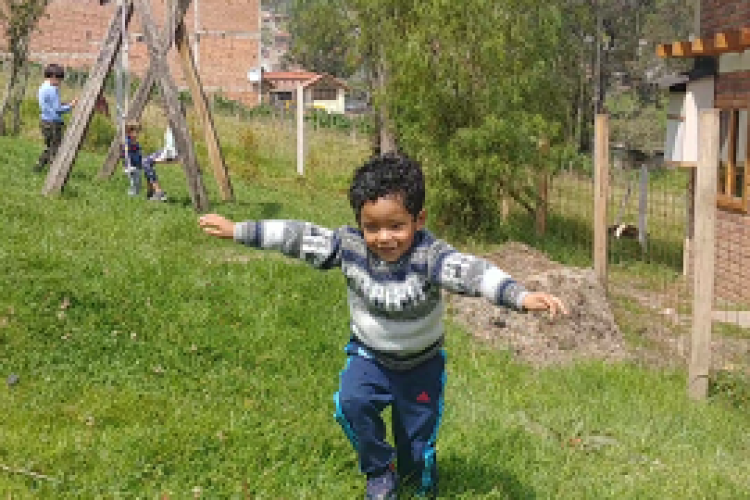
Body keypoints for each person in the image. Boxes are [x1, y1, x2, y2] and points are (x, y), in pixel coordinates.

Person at [198, 154, 568, 499]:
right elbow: (297, 236)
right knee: (351, 403)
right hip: (369, 356)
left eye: (396, 226)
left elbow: (472, 272)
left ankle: (416, 475)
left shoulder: (430, 257)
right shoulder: (349, 247)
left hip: (421, 366)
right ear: (359, 223)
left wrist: (519, 296)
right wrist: (238, 230)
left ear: (418, 220)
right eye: (371, 227)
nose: (384, 237)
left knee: (416, 441)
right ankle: (379, 471)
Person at [35, 63, 77, 173]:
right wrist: (71, 106)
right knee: (56, 149)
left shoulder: (43, 87)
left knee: (50, 147)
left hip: (44, 121)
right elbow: (58, 110)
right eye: (59, 79)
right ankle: (54, 172)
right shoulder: (52, 89)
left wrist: (64, 104)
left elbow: (49, 105)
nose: (60, 83)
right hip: (53, 123)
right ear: (53, 77)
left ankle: (38, 166)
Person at [121, 120, 167, 201]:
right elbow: (124, 154)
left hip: (138, 165)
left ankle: (149, 193)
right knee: (135, 183)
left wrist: (142, 158)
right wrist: (127, 164)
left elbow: (139, 153)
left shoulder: (135, 142)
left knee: (139, 181)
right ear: (129, 132)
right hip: (132, 166)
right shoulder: (127, 142)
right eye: (136, 132)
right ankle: (131, 196)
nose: (137, 134)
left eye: (138, 132)